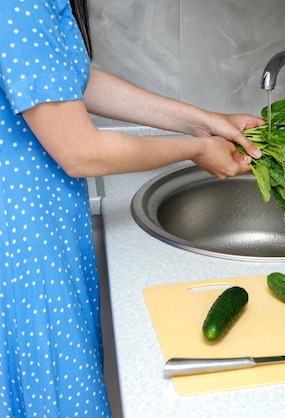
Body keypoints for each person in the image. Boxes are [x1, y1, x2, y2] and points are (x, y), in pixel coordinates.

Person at [0, 0, 264, 416]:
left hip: (42, 232)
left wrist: (202, 121)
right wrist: (196, 149)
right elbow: (79, 151)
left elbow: (72, 81)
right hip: (24, 251)